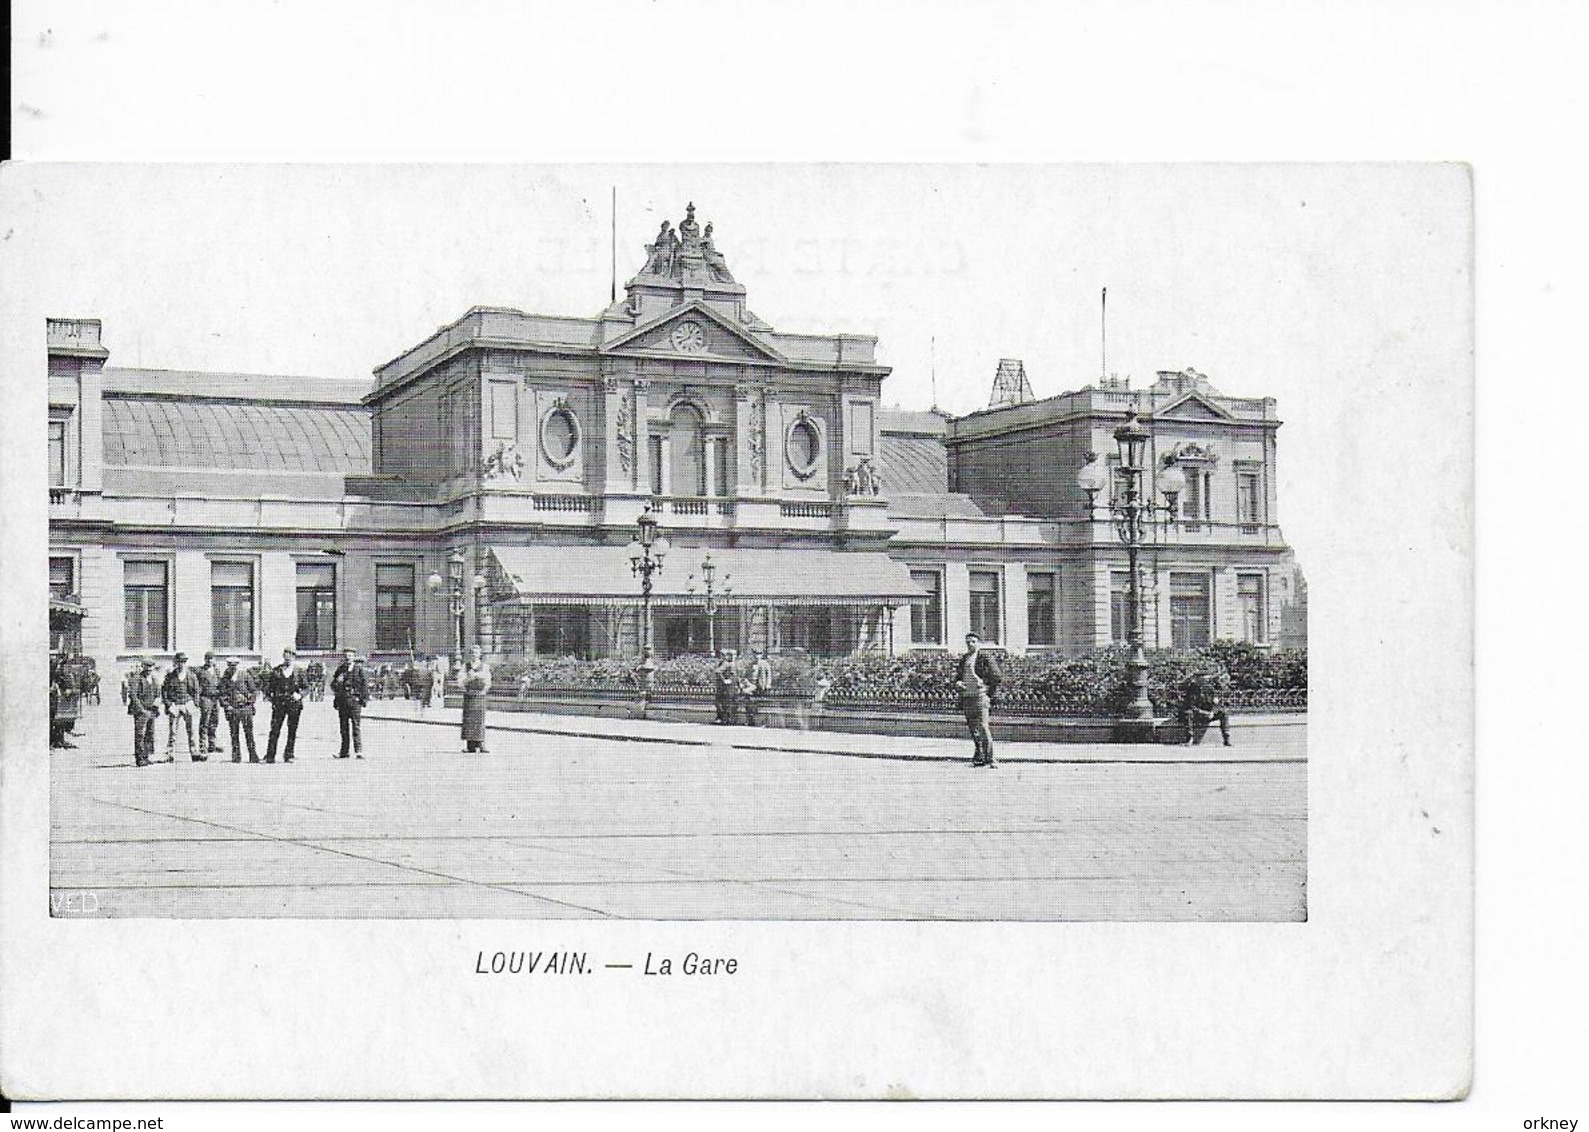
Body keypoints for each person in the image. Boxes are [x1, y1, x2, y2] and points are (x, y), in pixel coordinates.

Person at [955, 632, 1002, 768]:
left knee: (983, 727)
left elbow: (997, 676)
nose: (970, 644)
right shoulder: (965, 658)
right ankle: (979, 755)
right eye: (968, 642)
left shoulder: (984, 657)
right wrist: (958, 682)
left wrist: (987, 690)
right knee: (973, 728)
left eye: (973, 641)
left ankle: (991, 758)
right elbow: (958, 676)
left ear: (978, 643)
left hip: (980, 697)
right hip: (967, 696)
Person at [264, 648, 308, 763]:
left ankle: (289, 754)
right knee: (275, 730)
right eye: (286, 657)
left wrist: (300, 695)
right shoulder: (276, 670)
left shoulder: (299, 671)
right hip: (279, 704)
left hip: (294, 704)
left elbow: (306, 687)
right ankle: (270, 755)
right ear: (283, 657)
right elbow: (269, 688)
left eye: (290, 657)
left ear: (294, 658)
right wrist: (273, 700)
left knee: (292, 730)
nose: (288, 659)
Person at [162, 652, 205, 761]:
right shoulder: (170, 676)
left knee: (191, 731)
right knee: (173, 732)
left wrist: (194, 704)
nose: (181, 664)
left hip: (187, 704)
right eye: (179, 662)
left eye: (184, 662)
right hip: (175, 705)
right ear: (176, 662)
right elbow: (165, 692)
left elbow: (196, 691)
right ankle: (170, 754)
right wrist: (169, 705)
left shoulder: (191, 675)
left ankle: (194, 752)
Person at [218, 656, 261, 763]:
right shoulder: (225, 679)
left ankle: (253, 755)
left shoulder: (245, 675)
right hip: (233, 709)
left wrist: (250, 703)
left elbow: (254, 691)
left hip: (245, 708)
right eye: (230, 666)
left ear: (237, 666)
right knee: (234, 734)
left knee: (249, 733)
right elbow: (221, 694)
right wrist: (227, 706)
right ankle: (236, 756)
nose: (232, 668)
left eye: (234, 666)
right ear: (228, 666)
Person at [331, 648, 370, 759]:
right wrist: (338, 681)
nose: (348, 658)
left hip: (354, 701)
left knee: (356, 727)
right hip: (343, 701)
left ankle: (358, 751)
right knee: (344, 728)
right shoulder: (340, 669)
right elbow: (333, 685)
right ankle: (344, 752)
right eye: (346, 656)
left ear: (353, 657)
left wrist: (362, 700)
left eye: (350, 656)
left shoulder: (359, 669)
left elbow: (364, 685)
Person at [1179, 673, 1232, 747]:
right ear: (1196, 679)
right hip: (1197, 714)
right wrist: (1203, 712)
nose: (1204, 680)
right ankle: (1189, 739)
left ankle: (1226, 739)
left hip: (1209, 714)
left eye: (1205, 679)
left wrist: (1213, 712)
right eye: (1201, 679)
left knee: (1224, 712)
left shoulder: (1211, 689)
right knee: (1188, 713)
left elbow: (1218, 703)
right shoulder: (1192, 690)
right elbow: (1190, 706)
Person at [126, 658, 161, 767]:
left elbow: (158, 693)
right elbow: (133, 695)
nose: (149, 669)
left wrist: (157, 702)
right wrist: (141, 709)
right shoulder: (136, 678)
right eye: (147, 667)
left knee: (149, 733)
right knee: (140, 734)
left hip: (152, 710)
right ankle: (140, 758)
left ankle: (146, 756)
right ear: (143, 667)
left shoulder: (154, 679)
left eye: (151, 667)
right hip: (141, 711)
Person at [460, 645, 492, 753]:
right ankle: (470, 745)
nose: (474, 654)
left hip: (480, 696)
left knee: (479, 720)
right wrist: (468, 681)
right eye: (473, 652)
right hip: (469, 696)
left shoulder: (485, 666)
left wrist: (484, 689)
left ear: (480, 654)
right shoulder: (465, 666)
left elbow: (488, 681)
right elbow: (460, 680)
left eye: (476, 652)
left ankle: (481, 744)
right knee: (469, 721)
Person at [194, 651, 224, 754]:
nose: (209, 660)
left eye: (211, 658)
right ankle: (203, 745)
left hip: (215, 699)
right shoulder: (200, 671)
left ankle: (212, 744)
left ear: (214, 660)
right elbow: (197, 687)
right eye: (207, 658)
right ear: (204, 659)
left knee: (214, 721)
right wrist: (198, 700)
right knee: (205, 722)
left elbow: (220, 684)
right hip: (205, 698)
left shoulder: (217, 670)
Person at [744, 650, 773, 727]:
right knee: (749, 702)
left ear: (761, 655)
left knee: (762, 704)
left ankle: (764, 722)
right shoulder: (751, 664)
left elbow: (769, 675)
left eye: (759, 654)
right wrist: (747, 683)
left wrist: (768, 684)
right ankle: (750, 720)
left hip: (761, 686)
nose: (757, 656)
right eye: (755, 654)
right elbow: (746, 675)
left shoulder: (765, 664)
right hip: (752, 686)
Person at [713, 649, 739, 725]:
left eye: (733, 655)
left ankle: (729, 719)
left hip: (731, 686)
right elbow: (718, 671)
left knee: (730, 703)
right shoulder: (726, 663)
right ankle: (726, 719)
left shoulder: (731, 663)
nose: (732, 657)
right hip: (727, 687)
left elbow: (736, 675)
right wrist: (724, 680)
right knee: (726, 702)